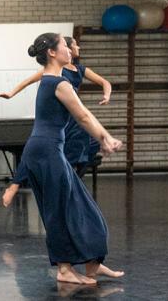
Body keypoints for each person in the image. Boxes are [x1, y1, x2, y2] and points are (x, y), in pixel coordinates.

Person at [14, 32, 125, 284]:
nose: (70, 49)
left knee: (82, 207)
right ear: (52, 53)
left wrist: (104, 138)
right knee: (58, 211)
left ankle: (92, 264)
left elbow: (83, 115)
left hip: (49, 151)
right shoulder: (58, 83)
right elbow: (83, 116)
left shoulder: (53, 80)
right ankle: (64, 270)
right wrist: (106, 138)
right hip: (46, 152)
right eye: (65, 45)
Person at [0, 36, 111, 204]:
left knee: (87, 147)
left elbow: (105, 82)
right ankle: (17, 184)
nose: (77, 47)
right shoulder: (55, 74)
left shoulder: (80, 69)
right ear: (63, 49)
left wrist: (106, 95)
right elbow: (28, 81)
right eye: (72, 45)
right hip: (61, 118)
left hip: (72, 116)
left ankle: (71, 184)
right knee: (39, 149)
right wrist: (11, 93)